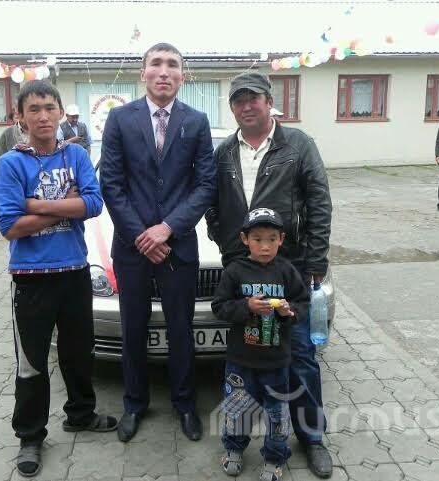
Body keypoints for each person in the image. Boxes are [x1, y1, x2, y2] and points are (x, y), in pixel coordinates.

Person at [206, 72, 333, 479]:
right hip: (242, 270)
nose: (246, 106)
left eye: (253, 98)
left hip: (290, 265)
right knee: (246, 360)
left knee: (300, 356)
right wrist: (229, 245)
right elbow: (212, 205)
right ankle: (237, 441)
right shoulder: (224, 152)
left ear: (268, 101)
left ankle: (312, 438)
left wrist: (315, 261)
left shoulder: (297, 144)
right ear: (232, 107)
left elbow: (319, 202)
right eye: (238, 100)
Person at [0, 80, 117, 478]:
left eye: (50, 107)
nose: (43, 116)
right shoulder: (11, 164)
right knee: (31, 362)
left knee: (79, 353)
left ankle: (80, 414)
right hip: (30, 279)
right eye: (34, 109)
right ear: (20, 117)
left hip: (75, 273)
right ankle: (30, 435)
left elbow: (93, 204)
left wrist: (37, 205)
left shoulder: (76, 155)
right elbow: (10, 226)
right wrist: (67, 205)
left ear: (61, 113)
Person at [99, 42, 216, 443]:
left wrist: (167, 229)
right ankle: (134, 403)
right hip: (131, 248)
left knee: (181, 328)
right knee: (133, 327)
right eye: (156, 64)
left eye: (172, 65)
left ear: (182, 76)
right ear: (143, 73)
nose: (164, 71)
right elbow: (112, 184)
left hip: (177, 245)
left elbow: (205, 186)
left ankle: (185, 404)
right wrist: (141, 236)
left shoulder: (197, 121)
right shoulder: (119, 119)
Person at [213, 208, 308, 481]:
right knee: (238, 408)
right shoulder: (235, 271)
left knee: (277, 414)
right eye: (257, 239)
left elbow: (302, 303)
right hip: (240, 360)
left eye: (272, 239)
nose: (265, 246)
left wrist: (289, 312)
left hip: (276, 361)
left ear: (282, 239)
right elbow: (220, 306)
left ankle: (275, 457)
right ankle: (233, 448)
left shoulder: (286, 271)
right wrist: (246, 307)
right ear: (245, 239)